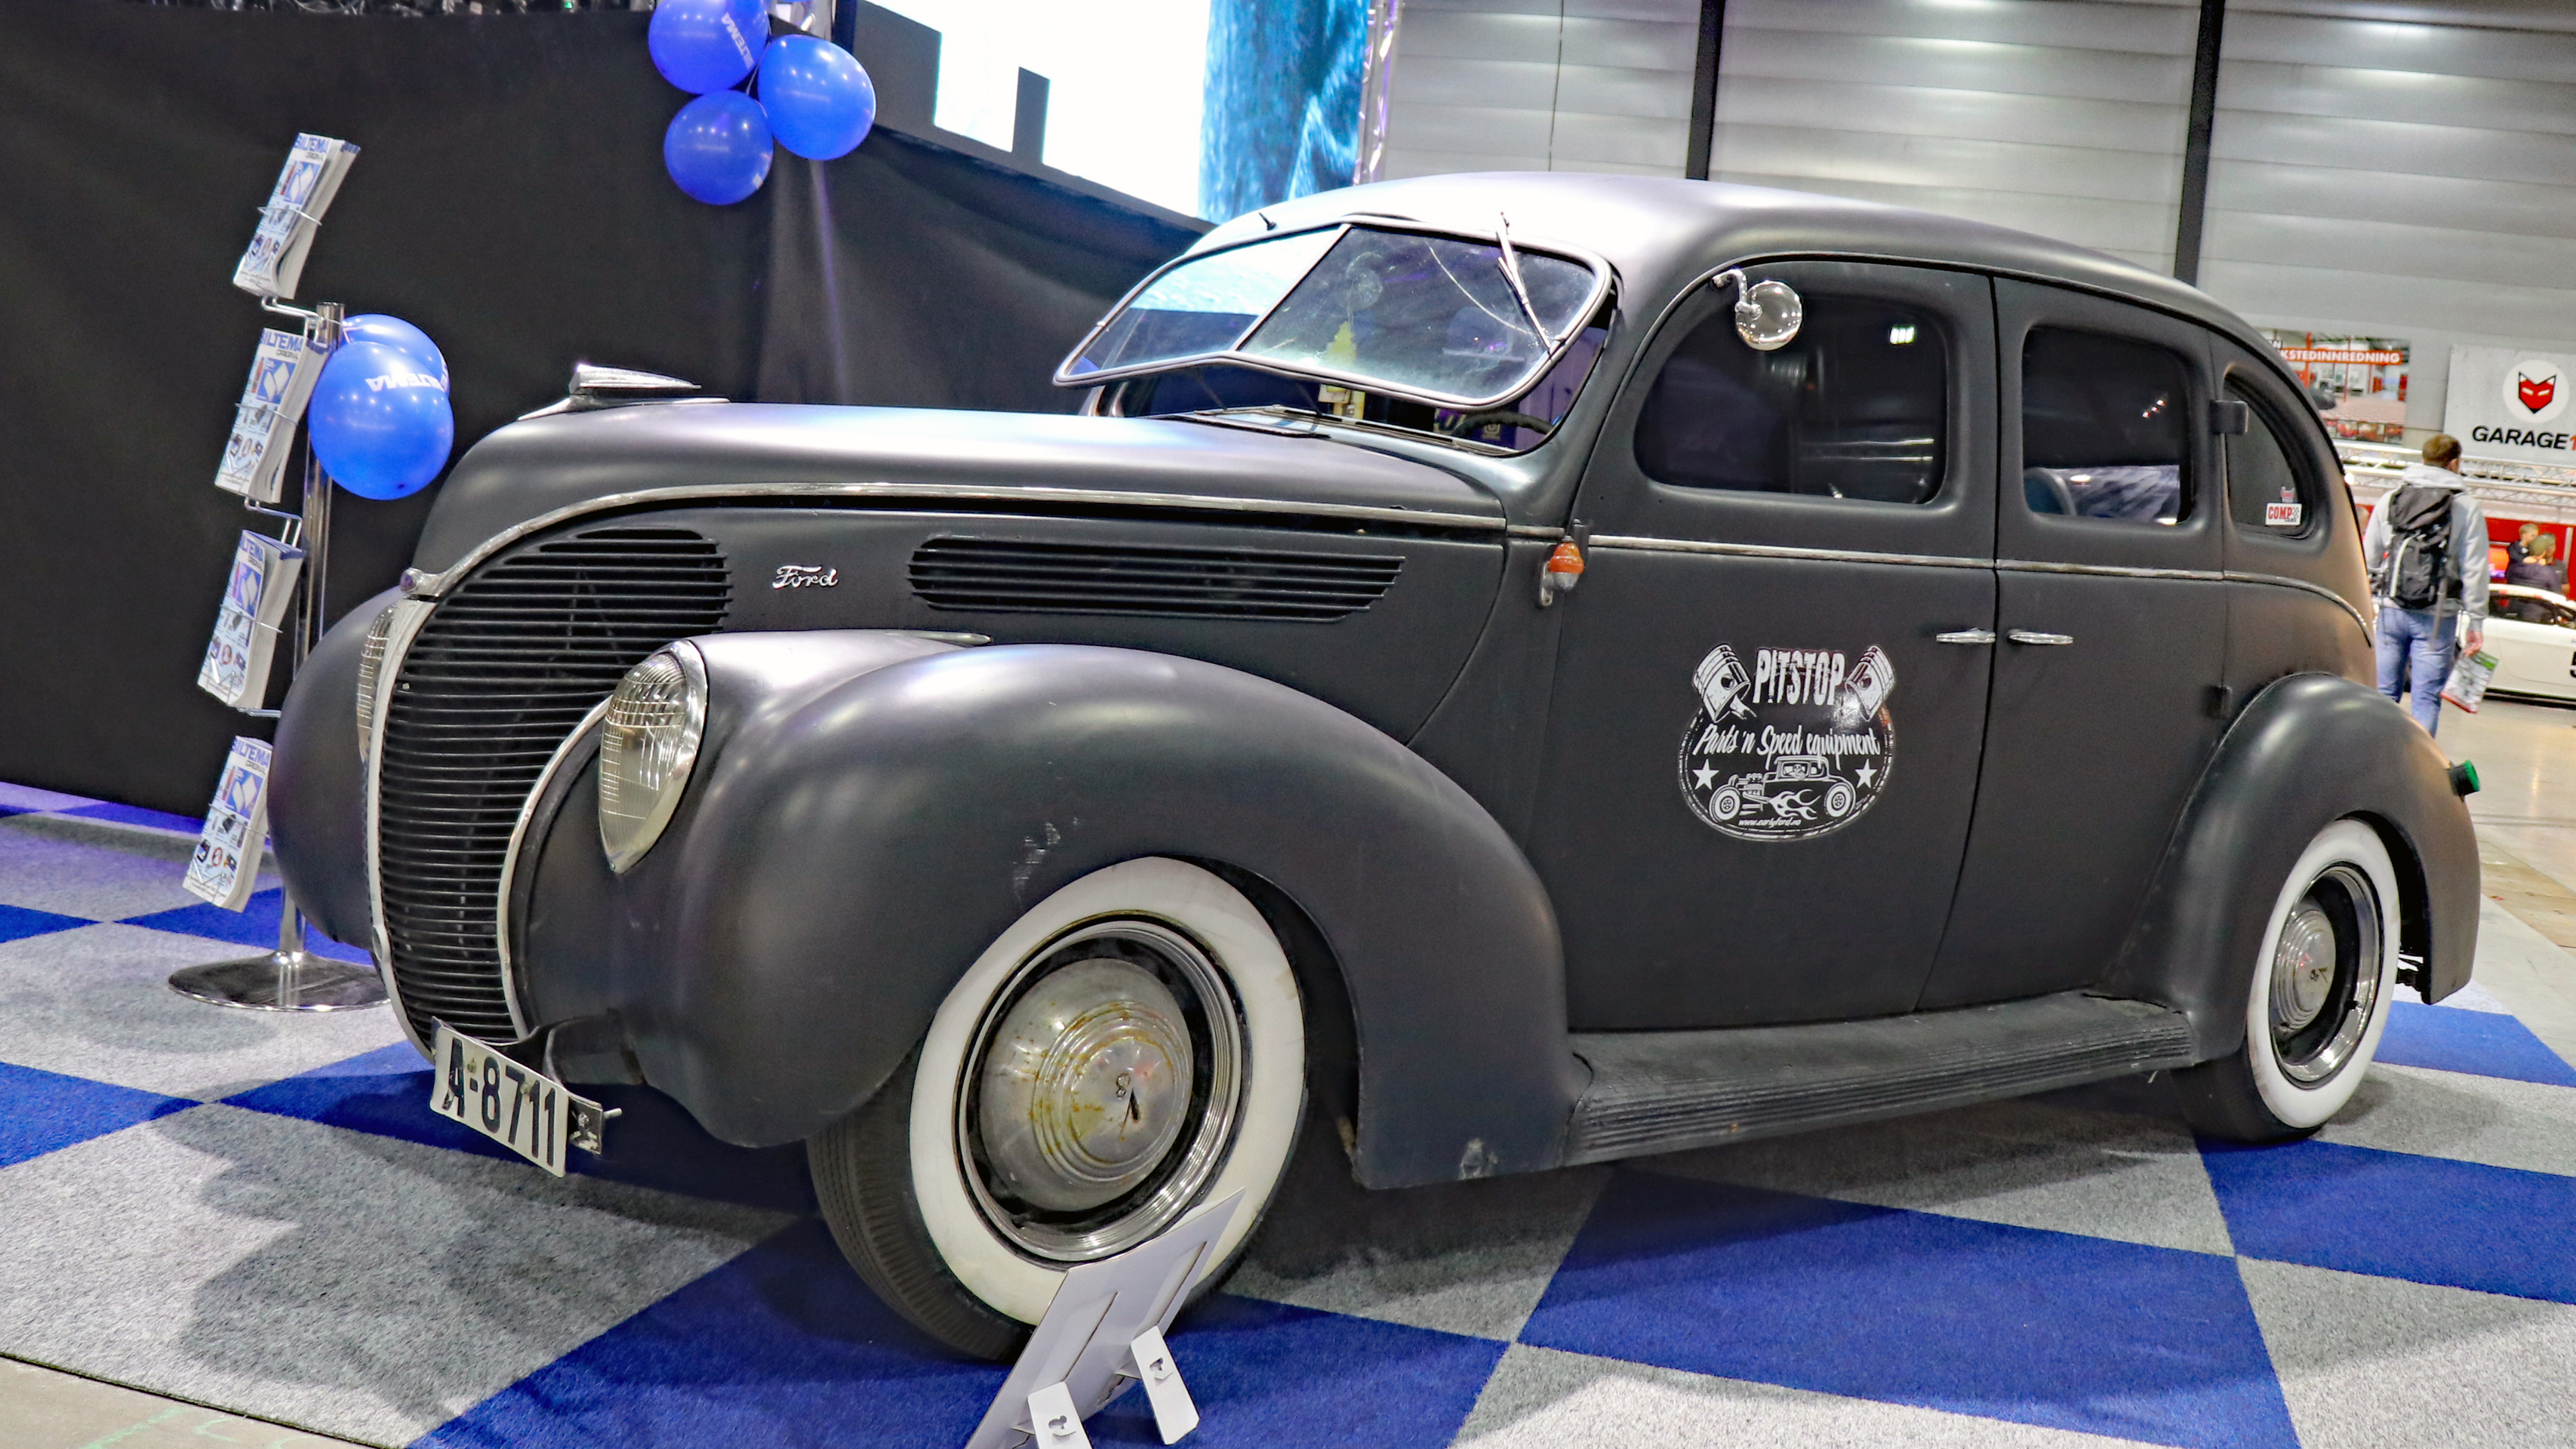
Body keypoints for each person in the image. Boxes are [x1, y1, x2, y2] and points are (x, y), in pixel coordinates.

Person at [2363, 433, 2485, 734]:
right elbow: (2474, 568)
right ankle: (2417, 762)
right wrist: (2476, 621)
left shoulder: (2392, 498)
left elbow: (2369, 556)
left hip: (2391, 610)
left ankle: (2377, 757)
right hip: (2437, 616)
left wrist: (2369, 597)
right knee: (2426, 700)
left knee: (2383, 695)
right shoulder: (2466, 507)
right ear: (2454, 463)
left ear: (2423, 459)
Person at [2507, 531, 2567, 597]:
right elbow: (2556, 592)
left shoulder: (2514, 568)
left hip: (2516, 603)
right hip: (2539, 603)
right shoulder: (2548, 572)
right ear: (2544, 551)